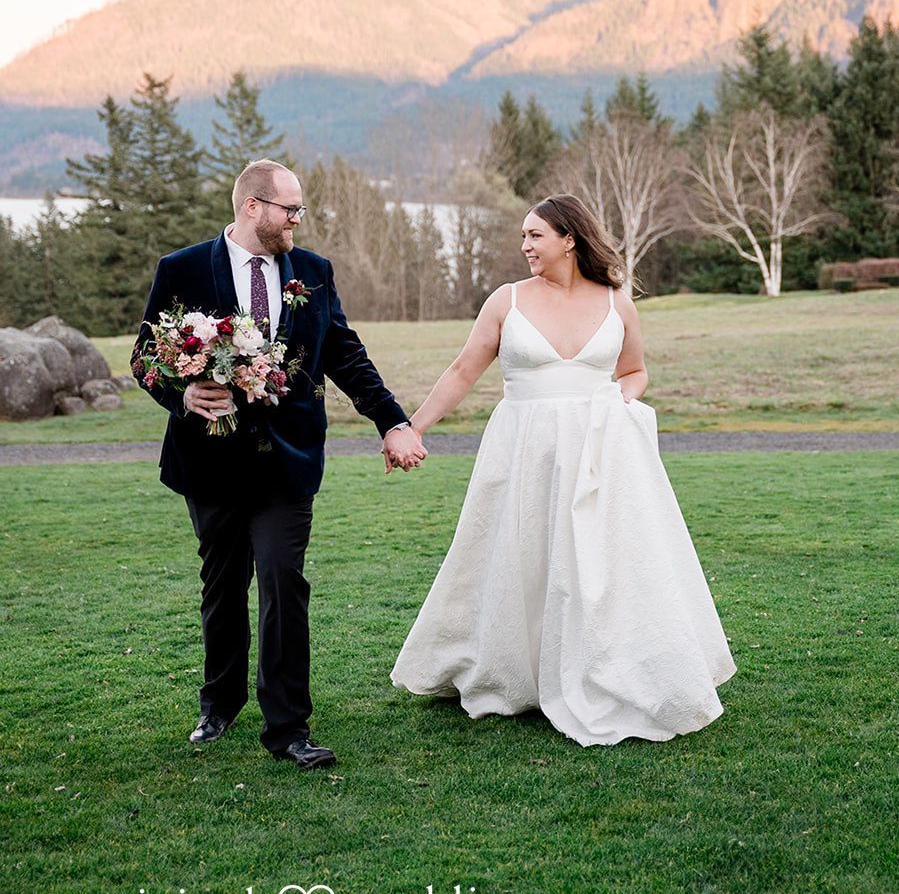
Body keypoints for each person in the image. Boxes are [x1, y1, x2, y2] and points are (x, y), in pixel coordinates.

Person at [391, 193, 736, 746]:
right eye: (523, 237)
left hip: (599, 450)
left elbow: (636, 371)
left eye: (535, 235)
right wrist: (414, 427)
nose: (525, 246)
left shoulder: (617, 301)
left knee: (597, 562)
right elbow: (462, 370)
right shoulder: (506, 301)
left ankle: (601, 662)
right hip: (524, 446)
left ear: (569, 240)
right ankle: (518, 669)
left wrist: (616, 407)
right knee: (521, 552)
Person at [131, 158, 426, 769]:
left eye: (299, 210)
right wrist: (181, 394)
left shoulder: (313, 272)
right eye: (290, 209)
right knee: (222, 583)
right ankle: (218, 703)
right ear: (252, 207)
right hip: (209, 460)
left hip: (288, 461)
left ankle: (289, 727)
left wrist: (392, 420)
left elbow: (345, 352)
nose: (298, 219)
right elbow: (144, 357)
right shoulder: (181, 269)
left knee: (284, 582)